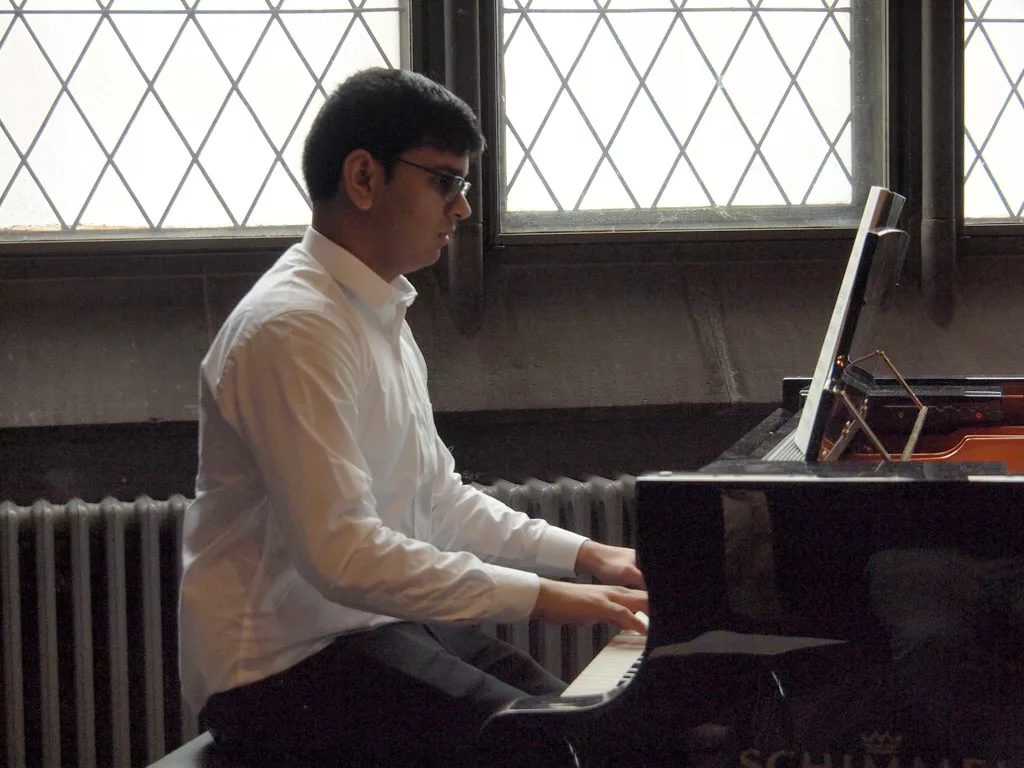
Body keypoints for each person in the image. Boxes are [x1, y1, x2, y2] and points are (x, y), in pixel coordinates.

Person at [178, 67, 648, 768]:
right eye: (445, 182)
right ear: (364, 178)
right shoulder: (290, 327)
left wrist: (589, 557)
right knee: (554, 750)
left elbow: (439, 499)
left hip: (370, 629)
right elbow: (342, 555)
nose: (463, 208)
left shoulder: (378, 312)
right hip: (279, 668)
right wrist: (550, 597)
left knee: (591, 727)